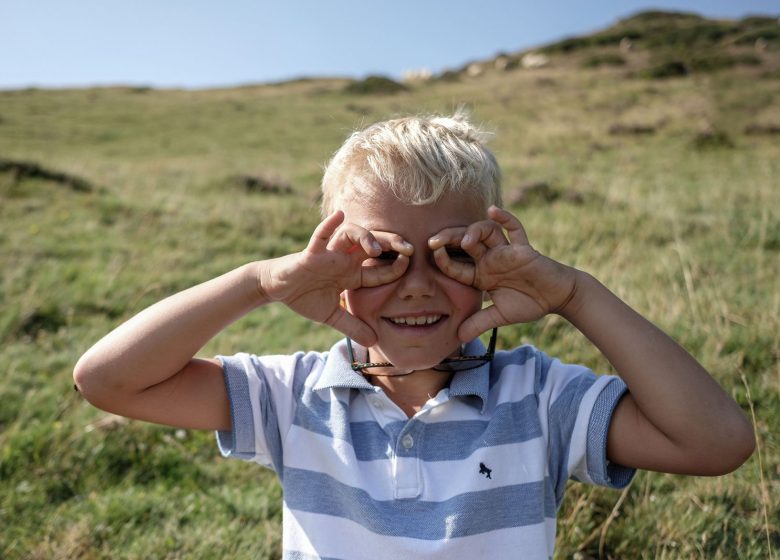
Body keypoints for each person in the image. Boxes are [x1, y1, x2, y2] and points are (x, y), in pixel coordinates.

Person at [74, 113, 755, 558]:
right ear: (334, 265)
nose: (418, 284)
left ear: (490, 267)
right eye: (382, 257)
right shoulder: (295, 396)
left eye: (455, 254)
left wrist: (573, 293)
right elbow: (106, 379)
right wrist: (257, 281)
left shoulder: (539, 397)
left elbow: (717, 440)